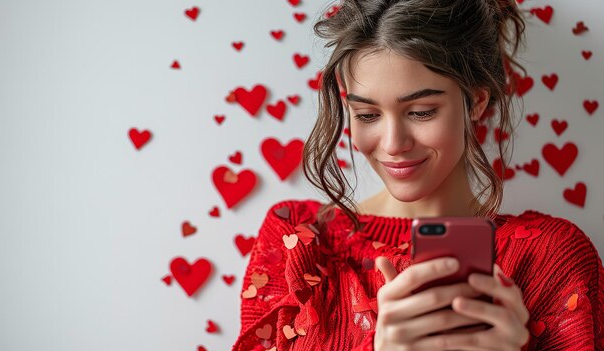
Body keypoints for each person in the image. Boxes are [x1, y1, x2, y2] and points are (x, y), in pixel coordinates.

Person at [232, 0, 604, 350]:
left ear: (476, 100)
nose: (393, 144)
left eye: (422, 111)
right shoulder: (296, 240)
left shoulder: (551, 257)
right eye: (367, 115)